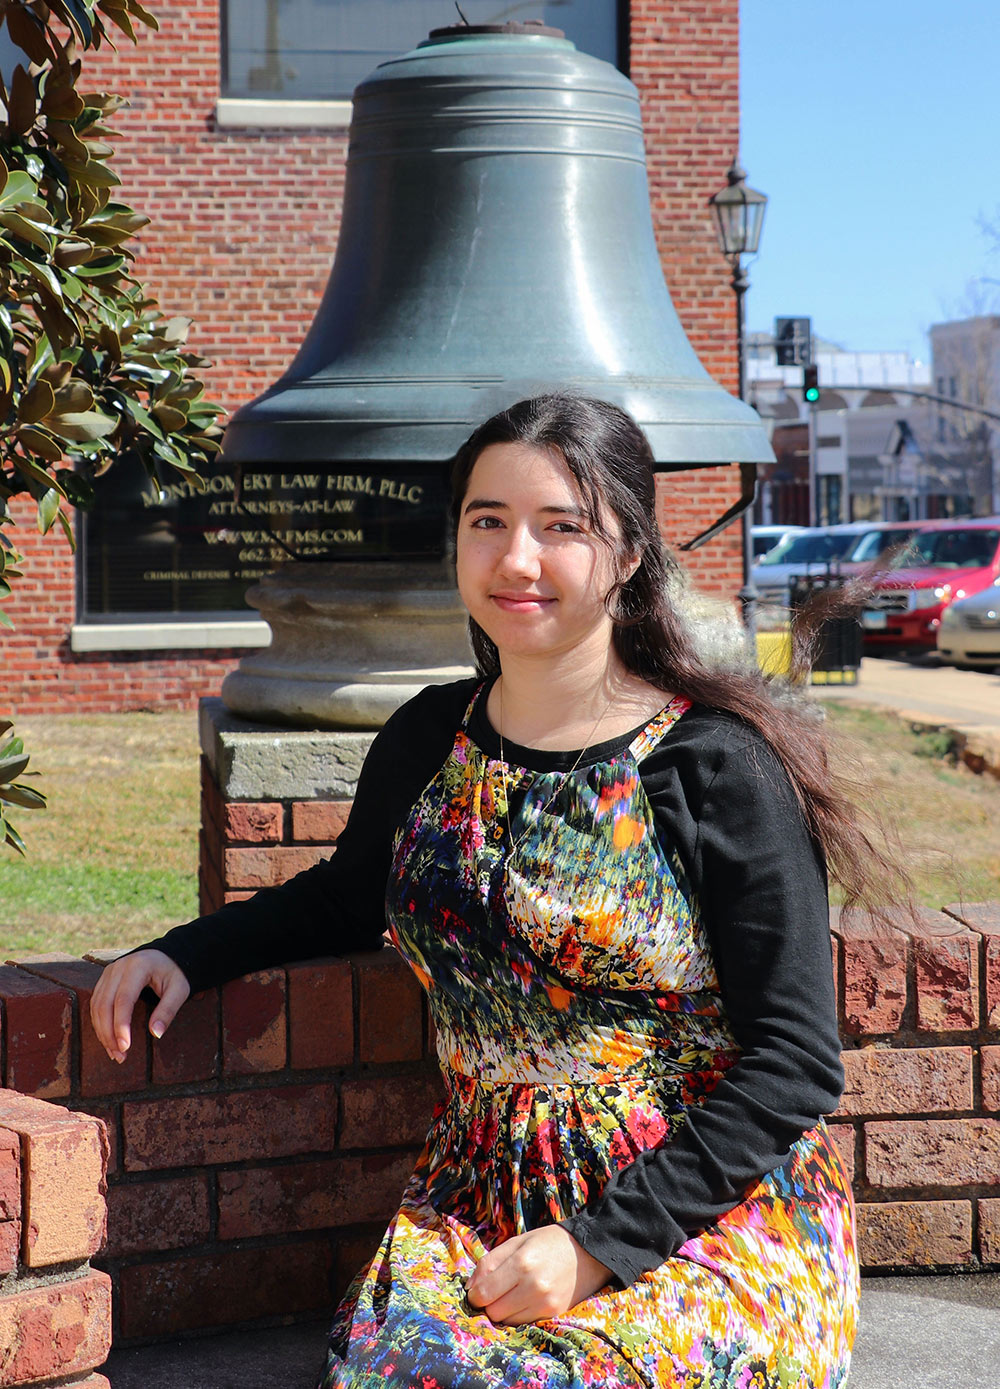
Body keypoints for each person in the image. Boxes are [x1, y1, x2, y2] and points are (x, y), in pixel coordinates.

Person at [92, 394, 864, 1389]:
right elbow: (343, 898)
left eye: (563, 527)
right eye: (486, 522)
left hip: (702, 1210)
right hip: (478, 1193)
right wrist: (182, 954)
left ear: (630, 555)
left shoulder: (713, 768)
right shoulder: (427, 737)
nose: (517, 561)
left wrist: (594, 1247)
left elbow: (795, 1065)